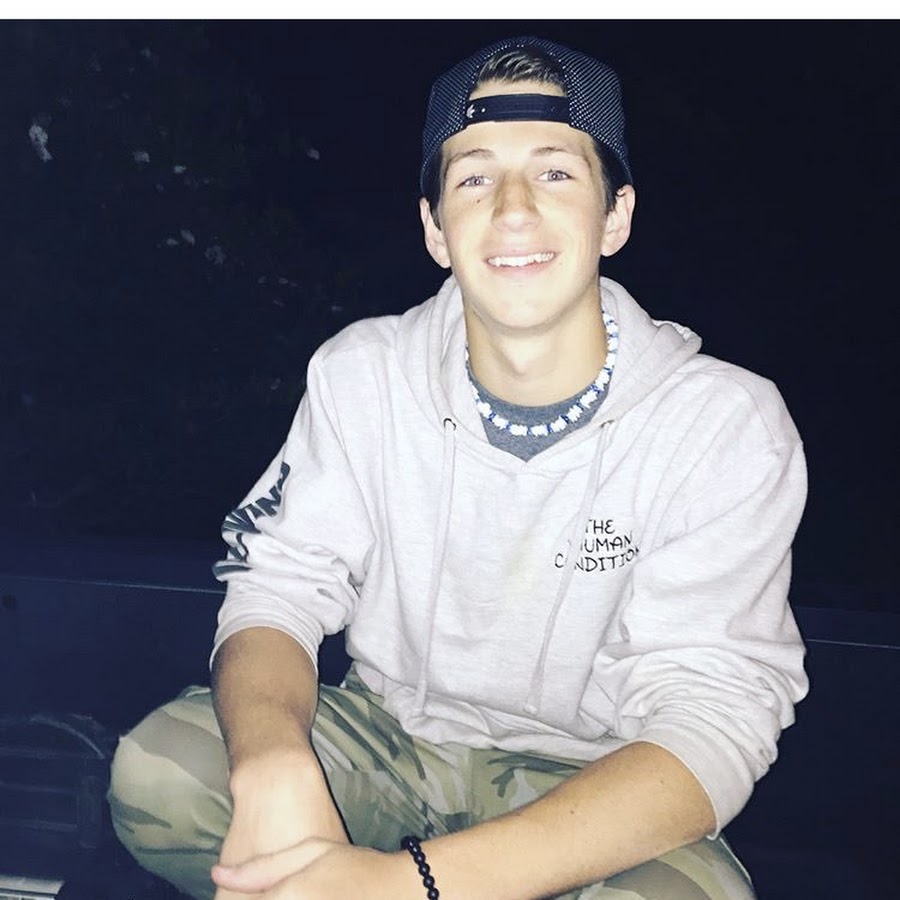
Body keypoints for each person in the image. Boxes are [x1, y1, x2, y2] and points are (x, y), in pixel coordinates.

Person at [108, 35, 809, 900]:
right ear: (435, 228)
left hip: (593, 773)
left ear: (615, 215)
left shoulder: (724, 426)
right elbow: (278, 587)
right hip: (390, 739)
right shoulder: (362, 374)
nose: (513, 209)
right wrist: (276, 770)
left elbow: (713, 718)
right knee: (162, 776)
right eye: (474, 178)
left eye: (556, 172)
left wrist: (408, 885)